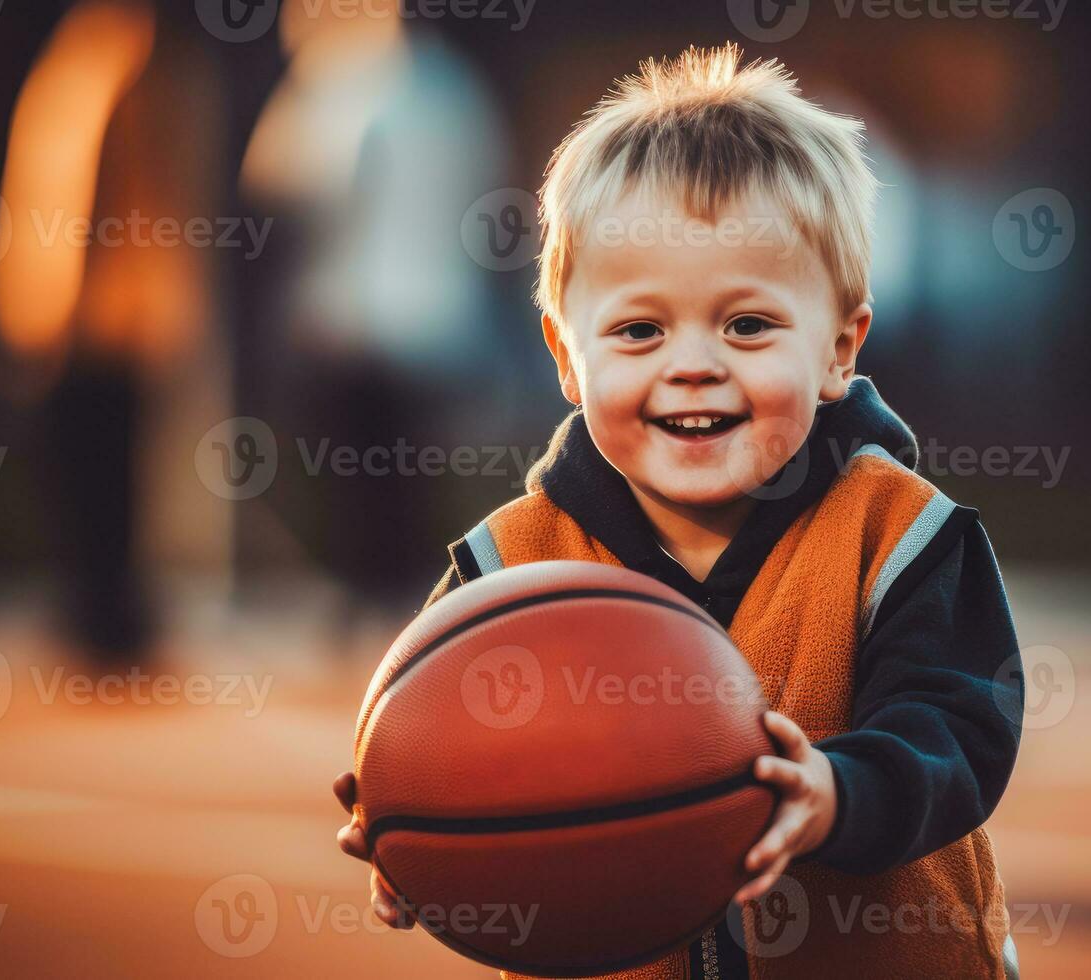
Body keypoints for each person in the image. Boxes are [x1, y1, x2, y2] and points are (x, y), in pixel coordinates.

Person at [334, 43, 1025, 979]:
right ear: (566, 356)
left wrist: (836, 791)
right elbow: (450, 750)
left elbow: (956, 731)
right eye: (637, 330)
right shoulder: (510, 568)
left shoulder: (896, 536)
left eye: (747, 324)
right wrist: (416, 831)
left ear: (838, 347)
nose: (691, 364)